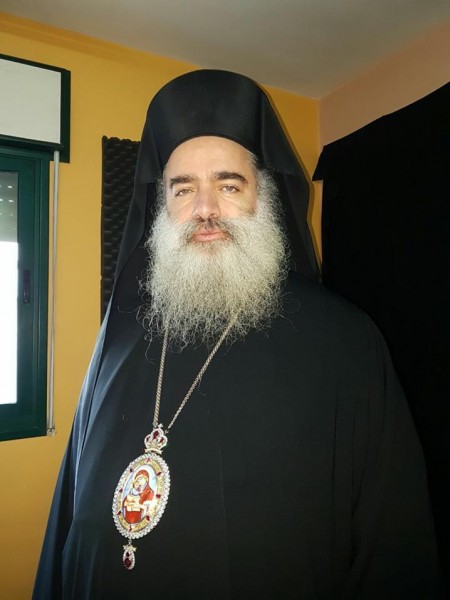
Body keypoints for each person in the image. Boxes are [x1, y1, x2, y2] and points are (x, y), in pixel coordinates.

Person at [33, 70, 441, 599]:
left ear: (263, 197)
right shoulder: (120, 335)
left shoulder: (344, 339)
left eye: (228, 185)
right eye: (184, 189)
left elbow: (393, 541)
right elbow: (69, 504)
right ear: (162, 206)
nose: (204, 209)